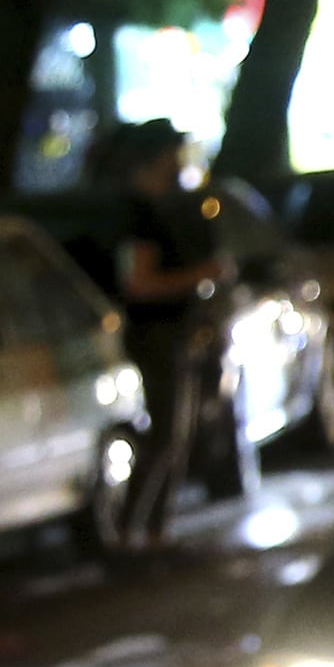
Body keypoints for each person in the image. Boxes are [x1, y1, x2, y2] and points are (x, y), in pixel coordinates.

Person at [104, 119, 226, 546]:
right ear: (159, 156)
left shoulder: (169, 207)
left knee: (176, 435)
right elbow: (139, 284)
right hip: (155, 336)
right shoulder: (138, 214)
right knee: (165, 436)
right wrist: (199, 277)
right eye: (174, 152)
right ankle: (133, 532)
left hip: (175, 333)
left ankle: (152, 531)